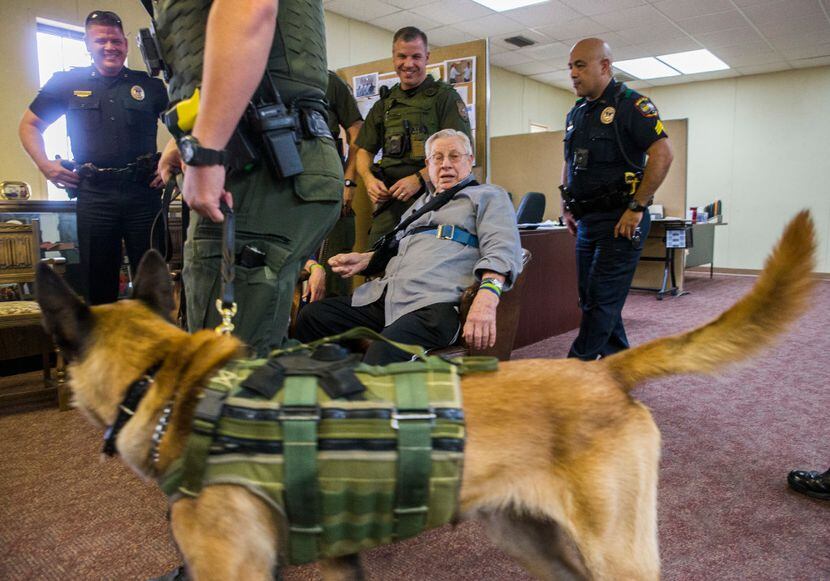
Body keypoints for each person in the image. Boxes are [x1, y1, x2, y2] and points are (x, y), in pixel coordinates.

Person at [154, 0, 343, 357]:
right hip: (277, 153)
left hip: (260, 164)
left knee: (225, 368)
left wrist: (206, 147)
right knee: (253, 357)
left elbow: (250, 10)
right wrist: (190, 135)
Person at [295, 129, 523, 365]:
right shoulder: (420, 205)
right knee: (313, 317)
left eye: (454, 156)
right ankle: (333, 387)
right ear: (428, 164)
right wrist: (367, 260)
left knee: (384, 351)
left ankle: (369, 395)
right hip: (387, 297)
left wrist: (487, 297)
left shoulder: (488, 196)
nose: (445, 165)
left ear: (470, 160)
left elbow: (503, 248)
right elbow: (399, 247)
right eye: (438, 157)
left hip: (434, 305)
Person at [19, 10, 168, 305]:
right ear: (88, 44)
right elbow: (29, 125)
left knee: (153, 284)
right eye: (101, 40)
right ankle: (104, 348)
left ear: (125, 44)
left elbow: (185, 125)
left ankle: (154, 348)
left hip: (143, 193)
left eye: (116, 40)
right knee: (97, 285)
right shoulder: (66, 83)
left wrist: (171, 163)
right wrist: (45, 165)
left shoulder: (149, 85)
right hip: (94, 194)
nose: (110, 47)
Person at [560, 38, 673, 361]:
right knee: (592, 301)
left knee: (601, 300)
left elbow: (662, 155)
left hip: (621, 220)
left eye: (580, 65)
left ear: (605, 66)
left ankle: (572, 375)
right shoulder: (577, 112)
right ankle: (621, 367)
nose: (573, 73)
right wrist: (566, 203)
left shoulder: (631, 105)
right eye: (570, 67)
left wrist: (637, 207)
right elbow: (570, 161)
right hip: (587, 221)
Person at [356, 26, 472, 247]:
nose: (408, 64)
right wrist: (369, 180)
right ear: (393, 58)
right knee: (375, 259)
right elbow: (363, 150)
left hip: (433, 197)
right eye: (402, 56)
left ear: (427, 57)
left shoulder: (444, 98)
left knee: (423, 260)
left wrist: (419, 178)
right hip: (391, 199)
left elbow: (461, 155)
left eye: (416, 56)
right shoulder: (385, 104)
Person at [318, 70, 363, 297]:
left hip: (329, 184)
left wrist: (349, 181)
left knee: (335, 267)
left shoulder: (329, 81)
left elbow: (357, 130)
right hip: (287, 187)